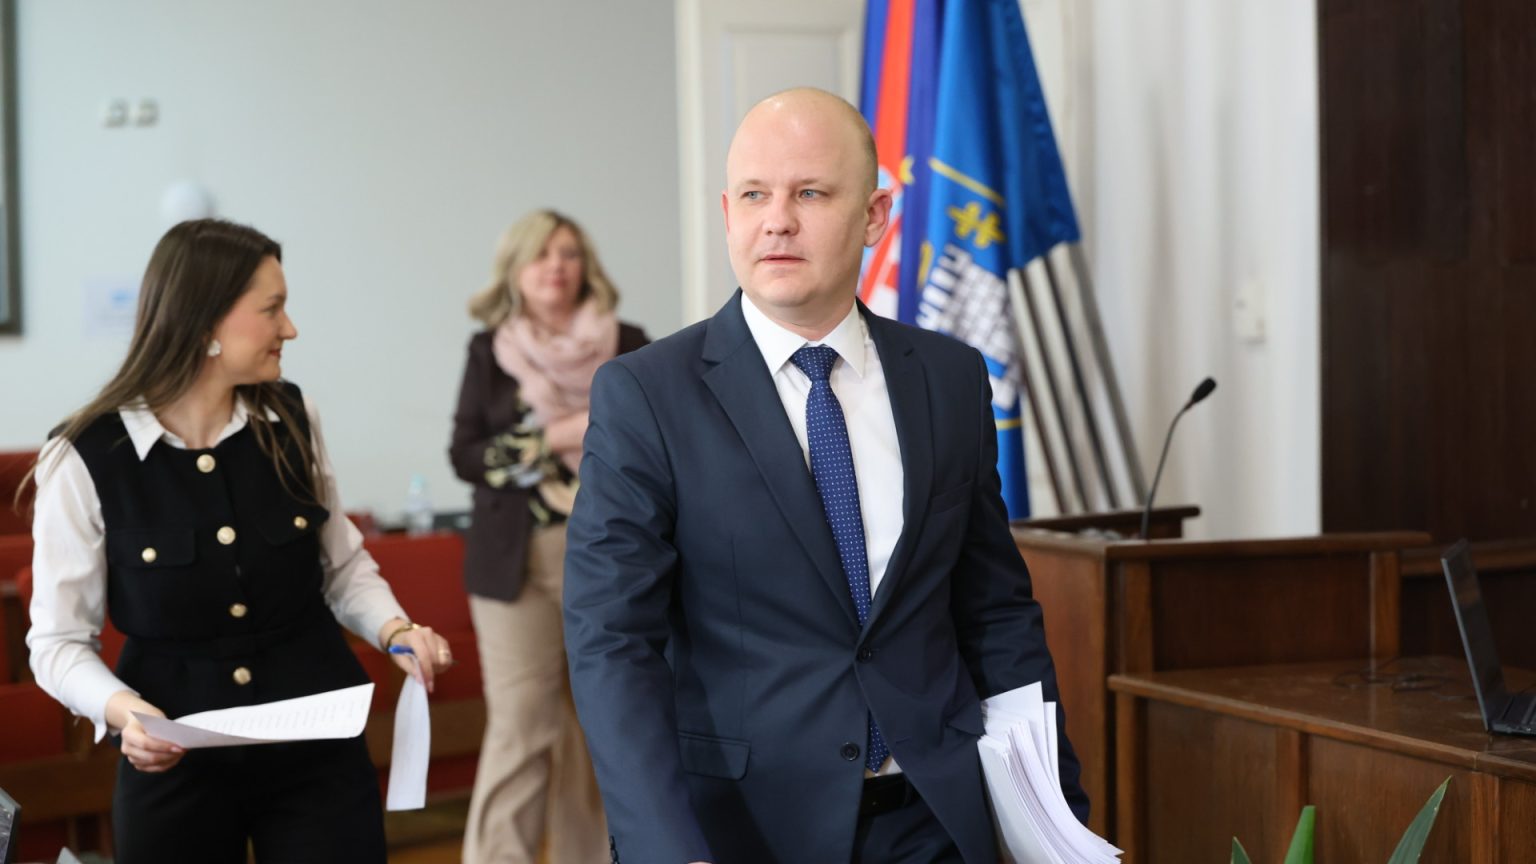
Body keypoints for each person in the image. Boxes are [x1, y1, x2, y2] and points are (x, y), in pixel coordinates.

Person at [563, 88, 1089, 864]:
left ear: (874, 215)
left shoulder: (948, 377)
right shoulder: (647, 394)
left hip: (936, 820)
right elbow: (612, 642)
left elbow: (995, 614)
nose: (777, 220)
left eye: (809, 193)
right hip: (742, 832)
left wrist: (1056, 820)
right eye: (754, 195)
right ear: (728, 213)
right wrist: (664, 851)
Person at [24, 219, 453, 864]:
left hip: (316, 750)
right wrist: (122, 712)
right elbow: (57, 643)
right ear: (206, 323)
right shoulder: (82, 456)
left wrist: (396, 629)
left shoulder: (293, 418)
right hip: (173, 762)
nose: (290, 328)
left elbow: (341, 568)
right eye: (272, 309)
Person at [450, 210, 649, 864]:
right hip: (516, 565)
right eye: (541, 254)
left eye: (568, 253)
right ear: (516, 268)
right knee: (522, 726)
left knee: (601, 728)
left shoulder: (629, 342)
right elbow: (467, 456)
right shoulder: (490, 350)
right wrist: (559, 435)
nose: (556, 266)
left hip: (613, 558)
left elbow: (653, 446)